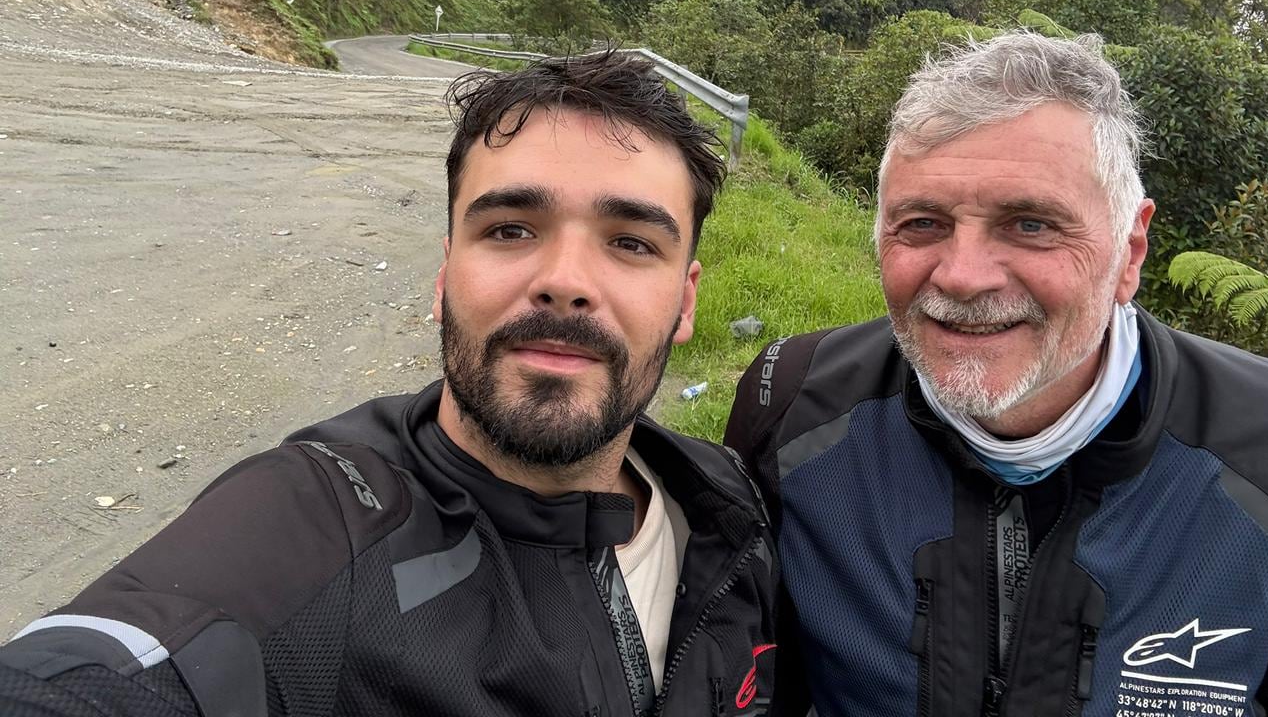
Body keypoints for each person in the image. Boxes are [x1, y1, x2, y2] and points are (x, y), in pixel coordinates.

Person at [0, 51, 779, 716]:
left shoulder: (728, 506)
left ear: (686, 299)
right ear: (444, 276)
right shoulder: (319, 526)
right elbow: (113, 663)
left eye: (631, 242)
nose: (565, 281)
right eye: (510, 229)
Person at [726, 31, 1268, 716]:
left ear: (1130, 251)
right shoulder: (792, 408)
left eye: (1031, 225)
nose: (961, 277)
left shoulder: (1266, 444)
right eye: (922, 222)